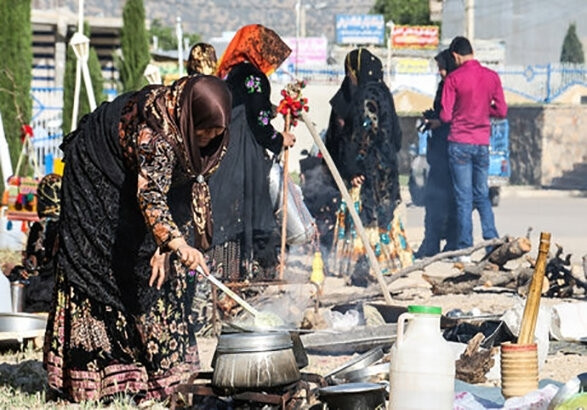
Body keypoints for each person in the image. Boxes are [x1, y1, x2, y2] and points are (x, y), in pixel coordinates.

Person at [43, 75, 232, 403]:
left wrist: (167, 243)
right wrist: (175, 242)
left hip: (143, 179)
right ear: (191, 119)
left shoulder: (206, 134)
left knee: (156, 272)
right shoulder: (154, 135)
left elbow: (183, 187)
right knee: (102, 263)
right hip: (97, 168)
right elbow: (151, 195)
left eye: (217, 133)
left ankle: (163, 373)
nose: (208, 140)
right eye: (204, 131)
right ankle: (105, 375)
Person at [209, 24, 295, 282]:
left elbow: (247, 108)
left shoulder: (232, 75)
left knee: (227, 218)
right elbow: (258, 123)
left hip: (224, 155)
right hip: (243, 157)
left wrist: (273, 110)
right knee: (252, 214)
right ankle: (252, 278)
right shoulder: (255, 78)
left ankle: (224, 277)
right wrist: (280, 139)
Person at [326, 48, 411, 287]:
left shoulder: (365, 95)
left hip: (367, 173)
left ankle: (362, 264)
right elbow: (395, 134)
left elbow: (364, 134)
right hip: (386, 168)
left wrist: (355, 167)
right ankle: (388, 262)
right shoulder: (383, 91)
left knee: (364, 215)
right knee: (383, 215)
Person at [440, 36, 508, 259]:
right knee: (482, 195)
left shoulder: (454, 78)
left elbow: (445, 115)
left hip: (459, 142)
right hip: (481, 143)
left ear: (455, 55)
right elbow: (501, 111)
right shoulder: (491, 77)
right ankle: (492, 243)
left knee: (463, 197)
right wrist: (482, 112)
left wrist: (460, 112)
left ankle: (465, 249)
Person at [414, 49, 458, 258]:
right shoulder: (445, 85)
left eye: (442, 67)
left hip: (449, 150)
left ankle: (447, 243)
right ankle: (434, 243)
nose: (440, 72)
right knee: (437, 200)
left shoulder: (454, 84)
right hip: (440, 149)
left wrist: (438, 121)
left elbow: (451, 116)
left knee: (443, 200)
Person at [8, 173, 62, 312]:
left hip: (50, 293)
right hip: (43, 288)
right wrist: (24, 271)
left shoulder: (63, 230)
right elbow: (33, 264)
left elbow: (49, 274)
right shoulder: (39, 228)